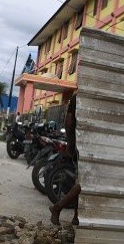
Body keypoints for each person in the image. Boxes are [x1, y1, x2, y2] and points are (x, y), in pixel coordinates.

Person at [49, 91, 81, 226]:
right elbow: (69, 121)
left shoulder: (77, 95)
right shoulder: (78, 96)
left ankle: (76, 217)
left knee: (81, 180)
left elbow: (68, 121)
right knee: (83, 183)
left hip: (84, 143)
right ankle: (58, 207)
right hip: (84, 144)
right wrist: (72, 144)